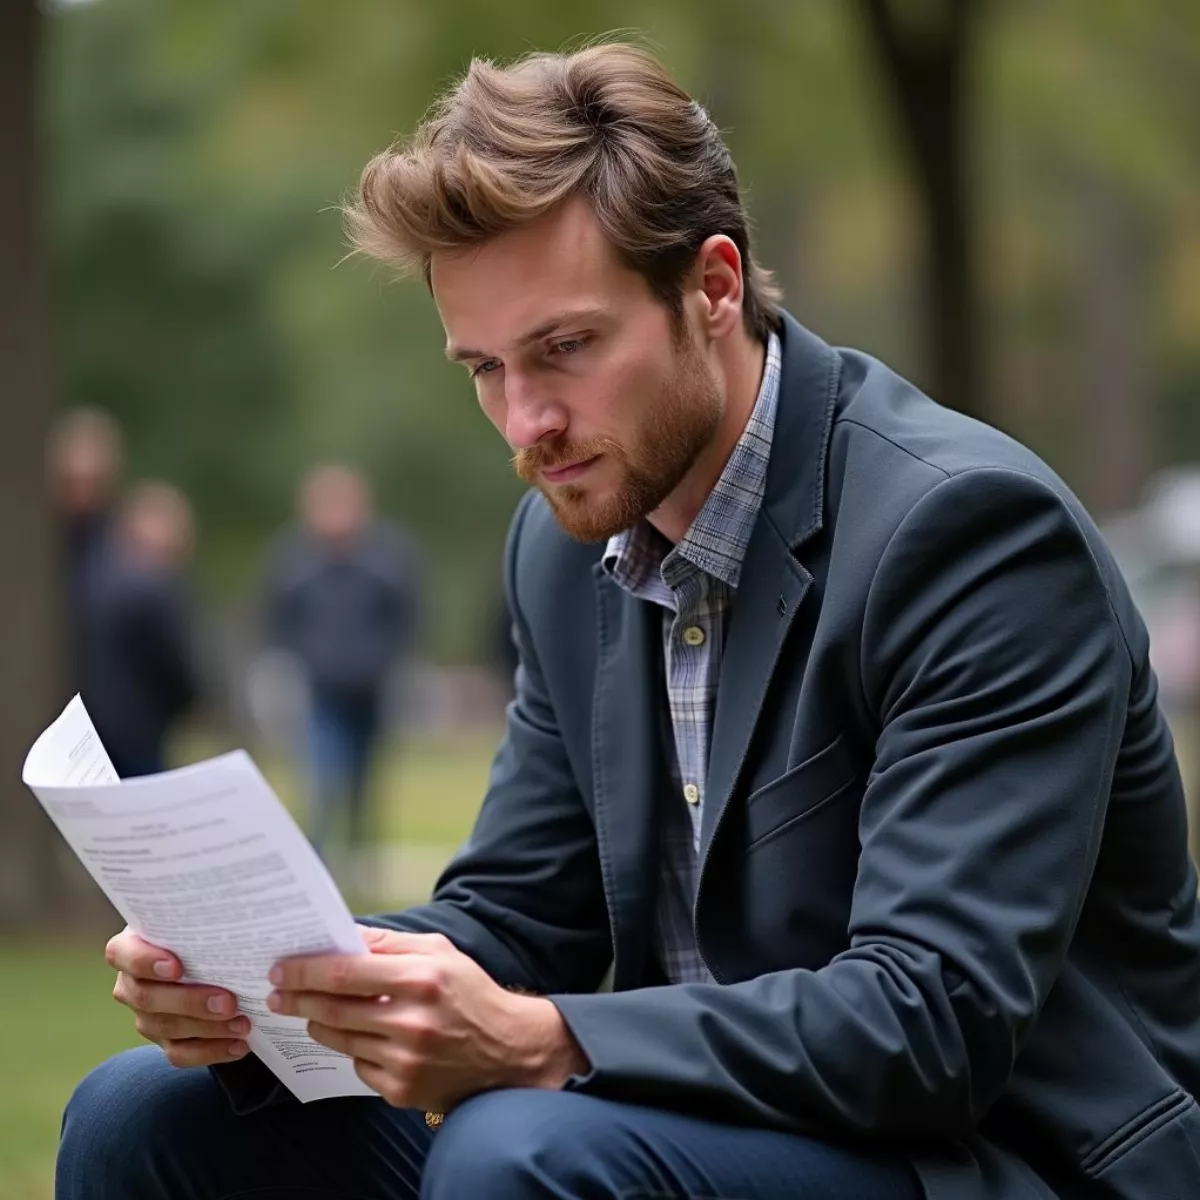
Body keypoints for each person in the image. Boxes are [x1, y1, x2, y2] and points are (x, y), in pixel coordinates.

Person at [61, 43, 1200, 1200]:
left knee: (520, 1151)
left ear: (712, 287)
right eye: (485, 369)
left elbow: (935, 1022)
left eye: (565, 349)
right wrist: (268, 983)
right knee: (144, 1114)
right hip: (700, 1126)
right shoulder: (564, 543)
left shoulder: (966, 536)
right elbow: (517, 914)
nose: (527, 423)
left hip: (988, 1154)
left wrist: (554, 1042)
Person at [261, 464, 420, 861]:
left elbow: (407, 615)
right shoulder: (294, 562)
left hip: (372, 688)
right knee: (320, 774)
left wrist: (382, 658)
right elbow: (275, 617)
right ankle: (315, 855)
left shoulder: (386, 558)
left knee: (364, 777)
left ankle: (358, 850)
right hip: (321, 690)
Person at [78, 481, 198, 778]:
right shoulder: (154, 587)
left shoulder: (93, 575)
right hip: (140, 729)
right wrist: (192, 703)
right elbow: (174, 662)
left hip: (89, 723)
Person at [46, 408, 124, 692]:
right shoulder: (42, 552)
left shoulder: (125, 553)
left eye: (91, 481)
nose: (82, 494)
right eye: (74, 480)